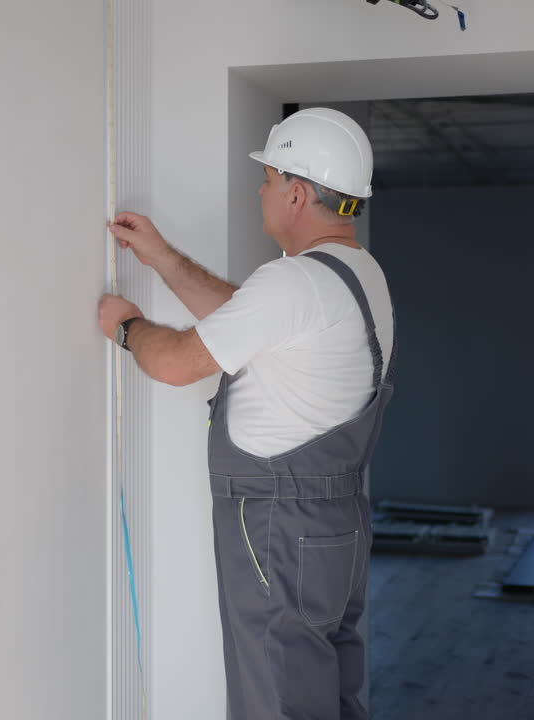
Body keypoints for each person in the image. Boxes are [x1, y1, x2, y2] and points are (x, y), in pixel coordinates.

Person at [97, 107, 396, 720]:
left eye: (269, 177)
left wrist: (127, 328)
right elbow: (252, 321)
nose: (260, 190)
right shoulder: (355, 275)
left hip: (277, 528)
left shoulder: (293, 285)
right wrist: (162, 258)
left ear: (298, 192)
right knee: (326, 694)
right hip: (334, 523)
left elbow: (179, 362)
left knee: (277, 700)